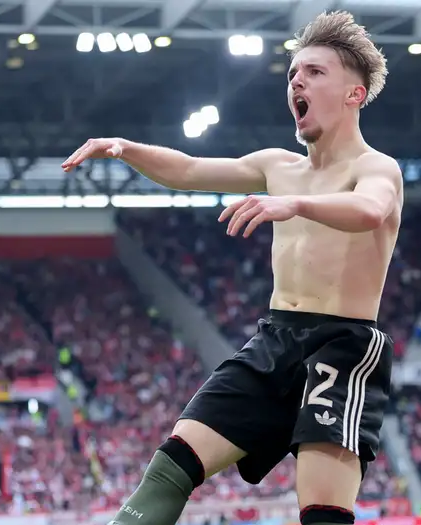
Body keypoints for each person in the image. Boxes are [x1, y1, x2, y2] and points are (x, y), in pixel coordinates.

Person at [61, 10, 400, 525]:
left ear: (355, 94)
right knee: (173, 463)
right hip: (274, 339)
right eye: (293, 73)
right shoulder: (277, 165)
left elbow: (371, 209)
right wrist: (126, 149)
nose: (297, 82)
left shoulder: (375, 166)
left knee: (322, 513)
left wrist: (296, 204)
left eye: (315, 72)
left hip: (343, 346)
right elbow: (189, 170)